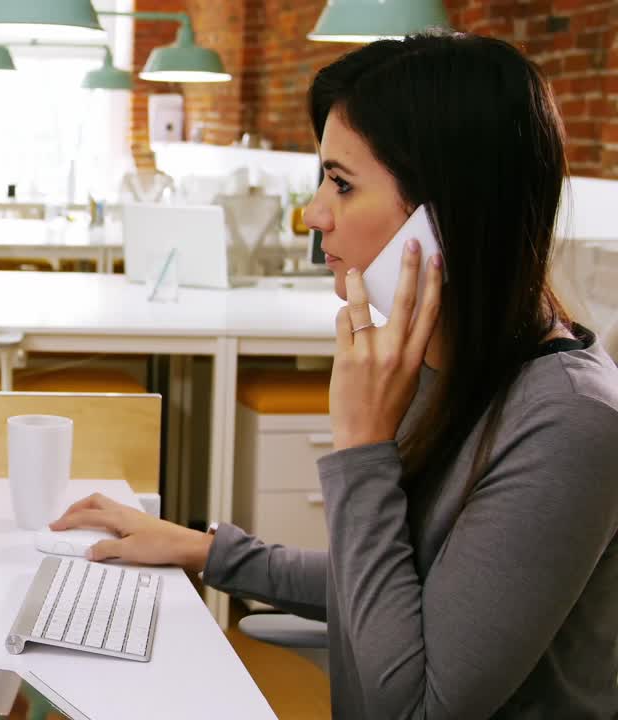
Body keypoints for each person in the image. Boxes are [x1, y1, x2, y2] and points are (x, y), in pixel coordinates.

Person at [51, 32, 618, 718]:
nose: (315, 214)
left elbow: (409, 707)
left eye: (342, 183)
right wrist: (207, 551)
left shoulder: (570, 422)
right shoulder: (446, 366)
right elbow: (401, 590)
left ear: (446, 219)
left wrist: (359, 446)